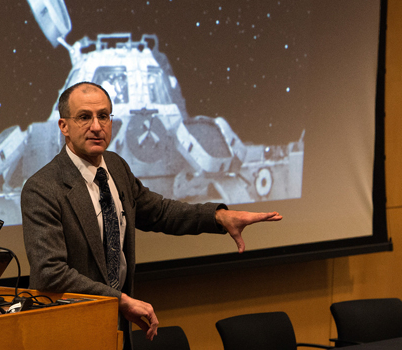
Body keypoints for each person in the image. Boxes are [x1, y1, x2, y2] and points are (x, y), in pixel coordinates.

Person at [21, 82, 282, 349]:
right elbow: (49, 272)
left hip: (116, 325)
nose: (97, 126)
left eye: (104, 116)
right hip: (67, 332)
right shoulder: (42, 188)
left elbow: (160, 212)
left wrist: (219, 217)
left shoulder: (116, 167)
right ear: (63, 126)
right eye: (84, 117)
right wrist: (119, 300)